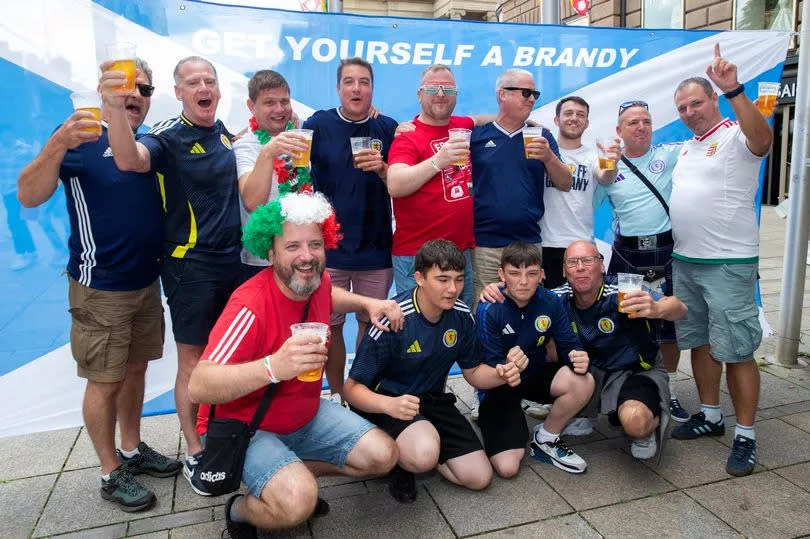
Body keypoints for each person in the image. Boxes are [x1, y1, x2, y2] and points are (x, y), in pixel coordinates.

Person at [17, 60, 181, 511]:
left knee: (136, 370)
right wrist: (56, 144)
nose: (136, 96)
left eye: (144, 90)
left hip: (146, 281)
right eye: (126, 88)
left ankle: (132, 449)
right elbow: (28, 195)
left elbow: (133, 162)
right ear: (104, 90)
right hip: (100, 285)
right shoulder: (79, 135)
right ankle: (111, 473)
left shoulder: (149, 138)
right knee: (104, 380)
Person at [188, 192, 400, 537]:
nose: (306, 256)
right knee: (297, 504)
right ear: (270, 252)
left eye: (315, 244)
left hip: (303, 412)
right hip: (247, 426)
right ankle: (241, 510)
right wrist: (273, 367)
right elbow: (199, 385)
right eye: (292, 247)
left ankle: (291, 473)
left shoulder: (316, 282)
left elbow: (329, 294)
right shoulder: (249, 306)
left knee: (384, 456)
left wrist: (366, 302)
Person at [100, 55, 243, 493]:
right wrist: (112, 106)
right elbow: (130, 160)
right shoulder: (166, 136)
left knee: (231, 358)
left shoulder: (223, 132)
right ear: (178, 92)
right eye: (193, 81)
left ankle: (227, 435)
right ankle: (196, 451)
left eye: (210, 80)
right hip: (190, 266)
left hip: (235, 262)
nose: (204, 87)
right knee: (194, 363)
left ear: (218, 90)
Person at [344, 239, 521, 503]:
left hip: (431, 400)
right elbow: (351, 389)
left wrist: (502, 374)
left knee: (479, 477)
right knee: (422, 454)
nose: (452, 289)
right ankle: (400, 461)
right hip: (387, 401)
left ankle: (419, 443)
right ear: (419, 278)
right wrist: (388, 405)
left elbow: (473, 373)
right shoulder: (393, 319)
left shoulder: (461, 316)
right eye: (442, 279)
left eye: (459, 279)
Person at [669, 45, 772, 477]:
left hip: (728, 264)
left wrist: (736, 90)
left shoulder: (735, 133)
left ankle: (745, 436)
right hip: (686, 262)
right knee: (701, 343)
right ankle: (710, 415)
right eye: (683, 107)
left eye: (697, 102)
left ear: (713, 99)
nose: (690, 111)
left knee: (739, 351)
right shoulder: (689, 148)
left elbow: (764, 140)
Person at [304, 57, 398, 400]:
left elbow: (402, 178)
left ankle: (360, 395)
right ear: (338, 88)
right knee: (328, 328)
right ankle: (338, 394)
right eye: (349, 82)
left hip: (375, 248)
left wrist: (384, 167)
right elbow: (289, 151)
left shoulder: (387, 127)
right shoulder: (319, 124)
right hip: (330, 248)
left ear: (372, 88)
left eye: (363, 82)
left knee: (370, 327)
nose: (356, 88)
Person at [594, 99, 687, 422]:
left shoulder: (670, 155)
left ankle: (668, 388)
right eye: (633, 122)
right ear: (619, 130)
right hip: (627, 254)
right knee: (627, 320)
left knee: (668, 325)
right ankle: (626, 382)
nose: (641, 127)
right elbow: (588, 203)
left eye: (646, 121)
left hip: (665, 250)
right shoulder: (607, 166)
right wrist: (604, 169)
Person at [549, 241, 685, 460]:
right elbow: (522, 296)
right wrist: (496, 289)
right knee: (547, 346)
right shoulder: (558, 297)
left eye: (588, 260)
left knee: (634, 422)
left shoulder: (624, 289)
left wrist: (657, 308)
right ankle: (585, 411)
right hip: (593, 371)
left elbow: (679, 307)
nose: (581, 267)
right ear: (565, 270)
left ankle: (650, 418)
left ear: (602, 266)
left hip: (637, 369)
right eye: (573, 262)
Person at [475, 242, 593, 476]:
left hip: (535, 374)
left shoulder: (550, 300)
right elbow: (487, 368)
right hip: (501, 386)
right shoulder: (489, 308)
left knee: (583, 380)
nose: (523, 281)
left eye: (531, 274)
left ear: (542, 274)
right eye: (514, 273)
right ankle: (498, 419)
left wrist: (579, 358)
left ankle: (546, 438)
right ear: (501, 275)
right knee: (508, 468)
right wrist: (506, 368)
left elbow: (570, 344)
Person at [470, 69, 572, 303]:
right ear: (502, 94)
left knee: (530, 313)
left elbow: (565, 182)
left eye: (535, 94)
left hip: (528, 242)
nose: (532, 99)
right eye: (525, 93)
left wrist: (548, 157)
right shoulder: (476, 136)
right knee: (486, 311)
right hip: (486, 244)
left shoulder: (542, 135)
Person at [387, 65, 476, 307]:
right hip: (417, 256)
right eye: (432, 88)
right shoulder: (408, 136)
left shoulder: (461, 127)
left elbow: (479, 119)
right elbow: (395, 184)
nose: (440, 94)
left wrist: (521, 119)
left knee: (460, 328)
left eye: (447, 88)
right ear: (419, 94)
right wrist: (439, 161)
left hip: (460, 253)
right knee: (418, 334)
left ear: (456, 94)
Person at [233, 69, 308, 282]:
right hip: (262, 261)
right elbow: (252, 202)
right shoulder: (246, 146)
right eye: (269, 103)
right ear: (251, 106)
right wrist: (268, 151)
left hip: (302, 256)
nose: (279, 109)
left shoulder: (300, 132)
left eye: (284, 101)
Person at [541, 96, 619, 289]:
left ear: (587, 123)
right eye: (568, 113)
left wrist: (612, 162)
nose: (574, 118)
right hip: (544, 244)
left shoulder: (594, 155)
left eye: (580, 115)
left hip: (581, 246)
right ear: (556, 120)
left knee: (582, 309)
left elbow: (605, 177)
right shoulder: (543, 153)